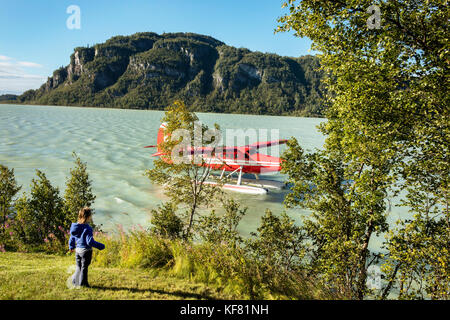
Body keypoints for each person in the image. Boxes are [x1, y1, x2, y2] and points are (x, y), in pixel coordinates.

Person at [68, 207, 105, 288]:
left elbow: (72, 237)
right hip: (86, 251)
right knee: (84, 268)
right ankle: (83, 284)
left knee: (78, 267)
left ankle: (75, 282)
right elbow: (90, 242)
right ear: (88, 217)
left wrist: (71, 246)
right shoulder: (87, 228)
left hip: (78, 251)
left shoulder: (75, 227)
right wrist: (101, 246)